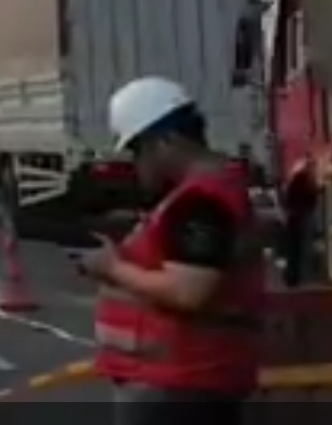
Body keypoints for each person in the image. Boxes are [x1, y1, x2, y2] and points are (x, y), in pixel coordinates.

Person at [75, 76, 265, 425]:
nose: (136, 164)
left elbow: (192, 290)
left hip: (180, 386)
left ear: (166, 141)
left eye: (138, 150)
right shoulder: (202, 194)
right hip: (184, 382)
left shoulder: (200, 202)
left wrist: (113, 268)